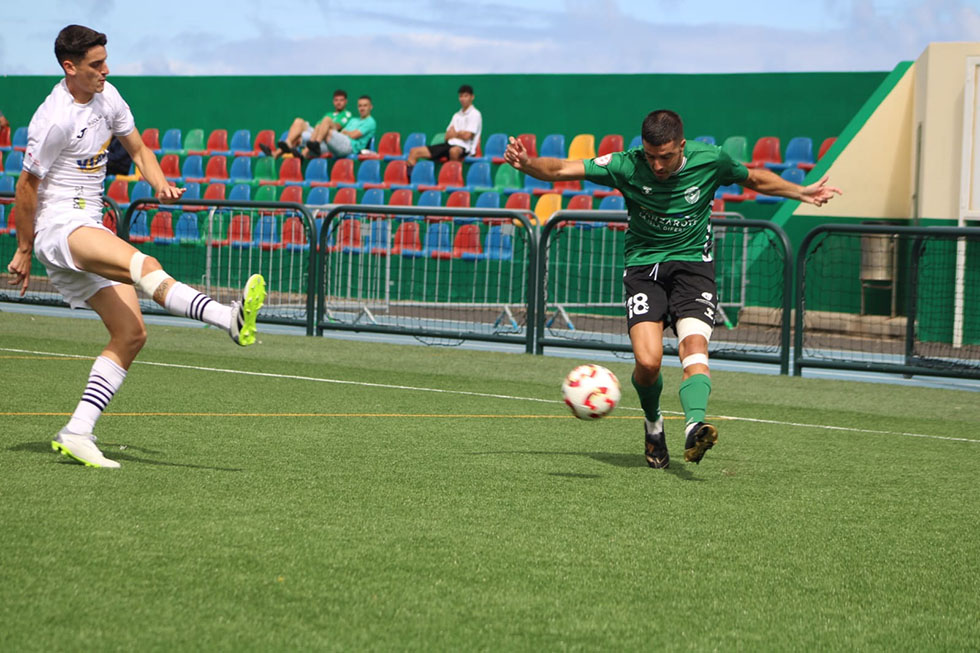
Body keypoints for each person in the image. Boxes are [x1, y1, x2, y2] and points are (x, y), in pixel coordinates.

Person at [504, 110, 842, 469]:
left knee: (694, 348)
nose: (657, 165)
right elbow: (561, 169)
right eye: (650, 156)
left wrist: (800, 191)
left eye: (665, 157)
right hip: (644, 269)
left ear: (681, 145)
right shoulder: (625, 165)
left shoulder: (710, 160)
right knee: (648, 362)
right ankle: (653, 423)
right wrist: (527, 163)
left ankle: (695, 425)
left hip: (693, 268)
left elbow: (755, 178)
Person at [5, 25, 267, 469]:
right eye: (95, 65)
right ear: (70, 68)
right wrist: (24, 249)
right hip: (60, 226)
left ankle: (77, 431)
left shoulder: (108, 96)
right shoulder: (53, 119)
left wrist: (159, 183)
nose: (105, 70)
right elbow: (26, 186)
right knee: (144, 264)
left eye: (105, 61)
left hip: (87, 224)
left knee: (131, 334)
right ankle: (228, 318)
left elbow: (140, 149)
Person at [261, 88, 353, 158]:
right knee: (298, 121)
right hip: (316, 135)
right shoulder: (329, 114)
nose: (338, 102)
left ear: (346, 101)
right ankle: (285, 145)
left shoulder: (347, 114)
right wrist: (318, 129)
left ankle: (301, 153)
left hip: (328, 142)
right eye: (336, 100)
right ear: (333, 102)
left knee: (301, 136)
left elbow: (337, 127)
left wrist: (323, 125)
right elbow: (318, 126)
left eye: (341, 100)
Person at [406, 84, 482, 167]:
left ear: (472, 97)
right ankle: (411, 175)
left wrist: (454, 134)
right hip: (448, 145)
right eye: (461, 96)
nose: (463, 99)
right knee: (414, 152)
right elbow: (447, 136)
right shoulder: (456, 115)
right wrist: (459, 133)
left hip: (465, 148)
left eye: (466, 96)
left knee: (453, 151)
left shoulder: (475, 114)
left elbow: (467, 136)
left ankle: (454, 175)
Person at [302, 94, 376, 159]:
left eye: (365, 106)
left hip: (350, 147)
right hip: (339, 143)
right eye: (360, 106)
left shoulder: (370, 121)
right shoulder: (353, 120)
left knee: (327, 121)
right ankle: (307, 150)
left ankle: (316, 143)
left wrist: (346, 132)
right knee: (319, 127)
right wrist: (346, 132)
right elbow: (343, 132)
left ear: (371, 107)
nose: (362, 108)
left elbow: (354, 135)